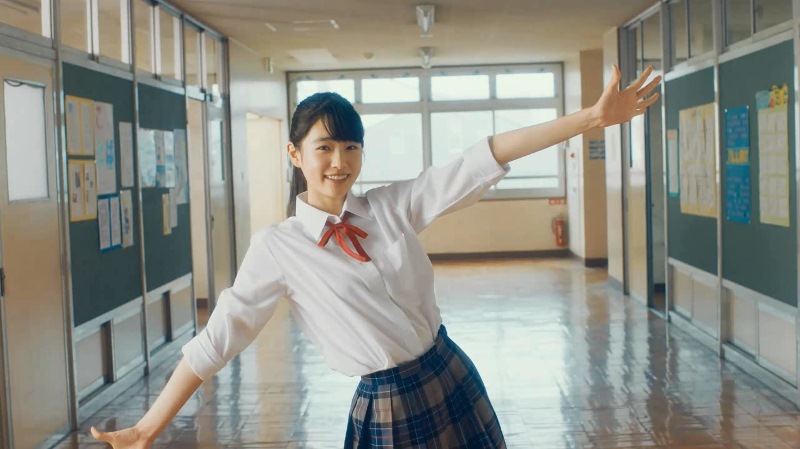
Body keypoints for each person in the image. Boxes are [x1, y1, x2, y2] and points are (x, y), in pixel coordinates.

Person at [90, 64, 660, 449]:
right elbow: (217, 340)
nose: (339, 162)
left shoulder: (387, 208)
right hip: (388, 404)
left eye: (351, 146)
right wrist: (147, 428)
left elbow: (478, 160)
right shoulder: (278, 247)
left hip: (450, 371)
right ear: (295, 153)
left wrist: (590, 119)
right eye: (324, 147)